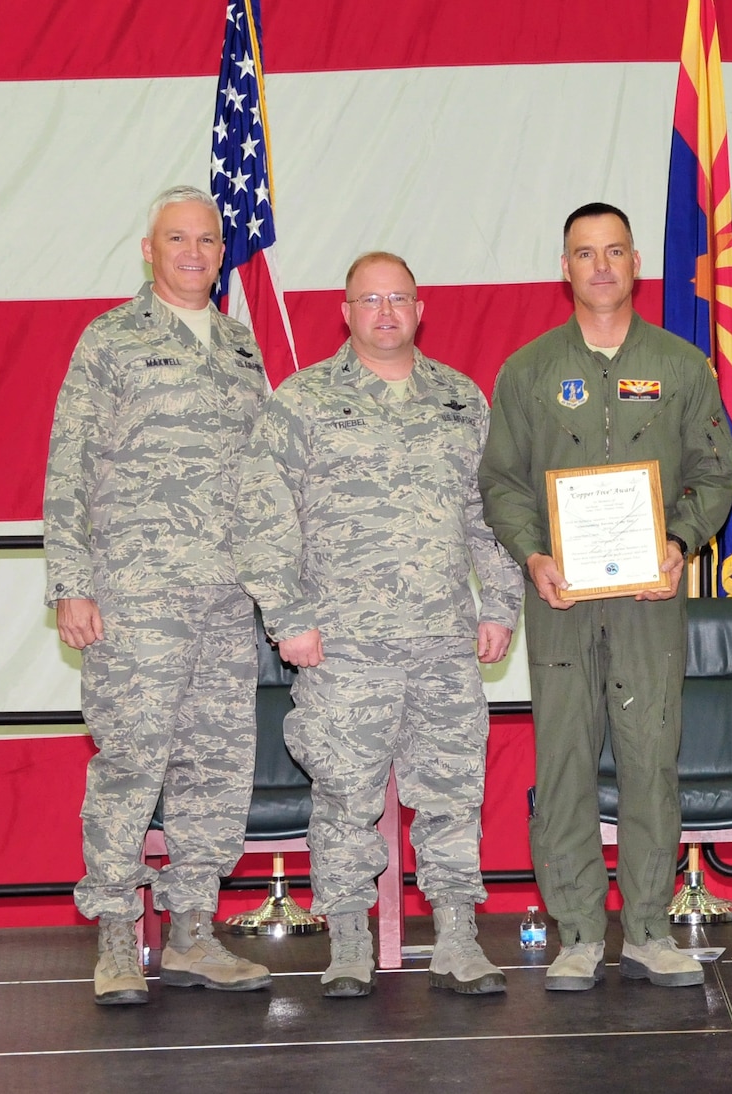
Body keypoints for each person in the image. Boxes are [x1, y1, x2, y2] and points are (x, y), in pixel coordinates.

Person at [237, 252, 524, 998]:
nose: (386, 312)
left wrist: (499, 605)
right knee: (343, 795)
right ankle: (351, 942)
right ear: (346, 311)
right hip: (343, 646)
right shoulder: (302, 401)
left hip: (441, 641)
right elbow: (266, 518)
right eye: (371, 299)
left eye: (399, 298)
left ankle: (458, 938)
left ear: (420, 308)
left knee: (453, 793)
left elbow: (486, 516)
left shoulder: (461, 401)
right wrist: (288, 619)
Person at [477, 202, 732, 992]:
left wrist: (678, 542)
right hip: (560, 600)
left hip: (648, 596)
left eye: (614, 252)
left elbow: (719, 469)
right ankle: (579, 931)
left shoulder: (681, 365)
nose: (600, 266)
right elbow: (502, 482)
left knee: (650, 761)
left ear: (636, 266)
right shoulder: (527, 371)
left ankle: (653, 928)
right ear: (565, 268)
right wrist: (531, 555)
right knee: (562, 763)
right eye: (584, 253)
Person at [43, 185, 274, 1005]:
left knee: (216, 766)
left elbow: (266, 478)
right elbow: (68, 466)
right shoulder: (109, 340)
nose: (193, 253)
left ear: (221, 251)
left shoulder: (244, 350)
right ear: (150, 249)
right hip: (135, 598)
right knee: (132, 762)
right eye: (177, 239)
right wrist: (71, 584)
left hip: (223, 601)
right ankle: (115, 937)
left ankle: (193, 933)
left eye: (207, 240)